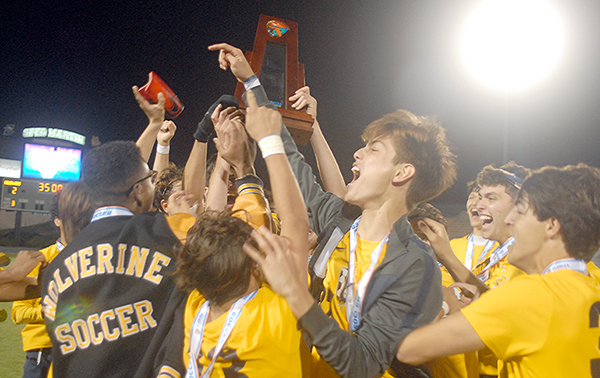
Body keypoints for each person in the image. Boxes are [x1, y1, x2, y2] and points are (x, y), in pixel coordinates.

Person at [207, 42, 457, 378]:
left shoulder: (415, 265)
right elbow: (293, 163)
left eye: (374, 150)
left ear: (402, 173)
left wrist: (294, 292)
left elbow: (363, 364)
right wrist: (253, 81)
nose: (358, 154)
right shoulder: (340, 219)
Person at [396, 164, 600, 378]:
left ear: (551, 226)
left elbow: (408, 350)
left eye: (521, 212)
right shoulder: (592, 282)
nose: (511, 221)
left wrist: (447, 304)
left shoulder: (531, 294)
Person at [176, 89, 309, 377]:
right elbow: (297, 223)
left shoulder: (195, 309)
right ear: (257, 265)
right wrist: (245, 162)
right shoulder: (276, 311)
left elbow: (202, 222)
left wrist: (225, 160)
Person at [12, 182, 93, 378]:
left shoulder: (96, 258)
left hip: (82, 348)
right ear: (57, 220)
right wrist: (56, 312)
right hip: (43, 350)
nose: (77, 220)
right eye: (69, 214)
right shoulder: (40, 259)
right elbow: (18, 313)